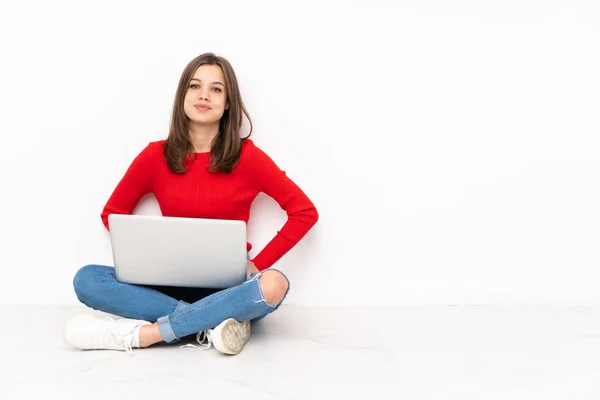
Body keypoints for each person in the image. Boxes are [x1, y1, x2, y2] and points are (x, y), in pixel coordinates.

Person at [61, 52, 319, 355]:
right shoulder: (154, 157)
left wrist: (257, 265)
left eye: (216, 89)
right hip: (165, 283)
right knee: (87, 279)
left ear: (227, 104)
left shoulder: (248, 158)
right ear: (182, 96)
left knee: (274, 283)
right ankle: (213, 323)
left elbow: (304, 212)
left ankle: (148, 334)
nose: (204, 95)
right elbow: (112, 214)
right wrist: (149, 254)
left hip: (228, 287)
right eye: (195, 86)